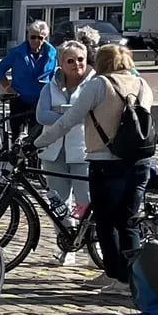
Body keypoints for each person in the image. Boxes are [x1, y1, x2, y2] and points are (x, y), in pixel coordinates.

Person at [34, 42, 155, 286]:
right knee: (128, 222)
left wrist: (36, 143)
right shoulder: (142, 84)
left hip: (106, 160)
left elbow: (68, 120)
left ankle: (114, 275)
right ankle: (130, 279)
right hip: (139, 160)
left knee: (106, 223)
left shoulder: (99, 85)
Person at [36, 41, 93, 261]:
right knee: (58, 202)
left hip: (84, 150)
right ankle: (67, 245)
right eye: (70, 60)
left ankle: (92, 248)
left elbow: (93, 114)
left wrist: (60, 113)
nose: (76, 64)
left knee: (85, 201)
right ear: (61, 63)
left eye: (80, 59)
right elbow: (42, 115)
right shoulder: (50, 86)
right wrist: (72, 115)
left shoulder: (94, 84)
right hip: (54, 152)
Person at [0, 22, 56, 140]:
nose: (36, 40)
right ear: (28, 36)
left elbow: (53, 75)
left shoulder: (52, 54)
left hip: (40, 99)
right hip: (19, 97)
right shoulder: (16, 52)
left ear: (45, 38)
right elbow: (0, 70)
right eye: (33, 37)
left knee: (37, 135)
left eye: (40, 38)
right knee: (16, 133)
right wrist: (7, 87)